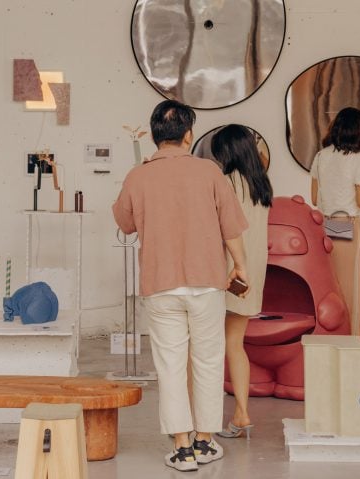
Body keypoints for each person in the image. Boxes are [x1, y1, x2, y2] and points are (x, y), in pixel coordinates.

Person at [112, 100, 249, 472]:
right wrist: (241, 266)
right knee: (207, 361)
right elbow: (231, 227)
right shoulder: (210, 173)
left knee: (171, 365)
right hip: (206, 283)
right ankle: (206, 441)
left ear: (156, 136)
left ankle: (182, 446)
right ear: (188, 134)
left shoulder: (137, 176)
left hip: (161, 284)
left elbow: (124, 223)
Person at [209, 125, 273, 440]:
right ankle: (242, 413)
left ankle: (199, 420)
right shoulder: (261, 184)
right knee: (236, 344)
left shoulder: (225, 183)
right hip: (252, 273)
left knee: (207, 346)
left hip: (226, 271)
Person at [310, 107, 360, 338]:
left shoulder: (321, 156)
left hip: (324, 223)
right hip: (345, 222)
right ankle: (351, 334)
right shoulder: (359, 159)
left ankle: (330, 331)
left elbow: (313, 197)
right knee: (350, 283)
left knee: (331, 280)